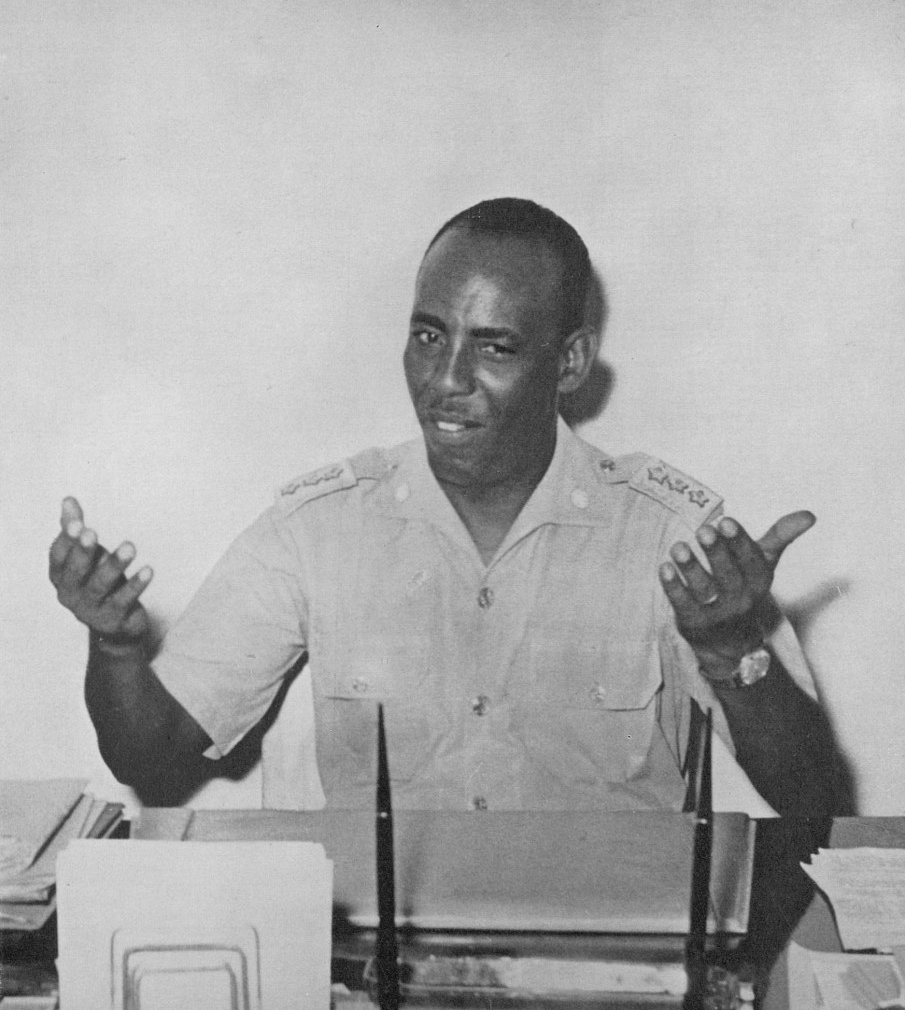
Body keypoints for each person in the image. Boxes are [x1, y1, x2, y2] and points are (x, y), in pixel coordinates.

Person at [49, 198, 848, 815]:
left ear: (569, 362)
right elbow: (152, 761)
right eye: (429, 337)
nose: (445, 379)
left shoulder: (668, 535)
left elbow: (810, 795)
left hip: (614, 967)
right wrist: (116, 649)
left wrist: (728, 648)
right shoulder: (318, 529)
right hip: (377, 968)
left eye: (492, 347)